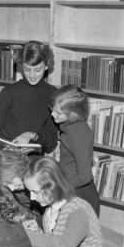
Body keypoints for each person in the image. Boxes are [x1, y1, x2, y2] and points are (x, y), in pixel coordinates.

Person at [0, 40, 58, 156]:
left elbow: (52, 139)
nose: (32, 75)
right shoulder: (9, 93)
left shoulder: (53, 94)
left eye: (37, 70)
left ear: (46, 66)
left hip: (34, 162)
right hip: (7, 159)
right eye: (27, 69)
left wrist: (33, 136)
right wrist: (9, 148)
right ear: (21, 66)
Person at [50, 85, 100, 216]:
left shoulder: (78, 133)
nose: (52, 114)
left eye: (58, 113)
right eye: (52, 109)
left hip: (81, 195)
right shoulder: (67, 125)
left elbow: (84, 176)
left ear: (73, 114)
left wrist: (58, 186)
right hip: (70, 189)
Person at [0, 148, 41, 221]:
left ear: (19, 169)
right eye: (6, 185)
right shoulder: (16, 185)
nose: (11, 189)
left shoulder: (40, 175)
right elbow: (20, 208)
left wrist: (38, 221)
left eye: (10, 182)